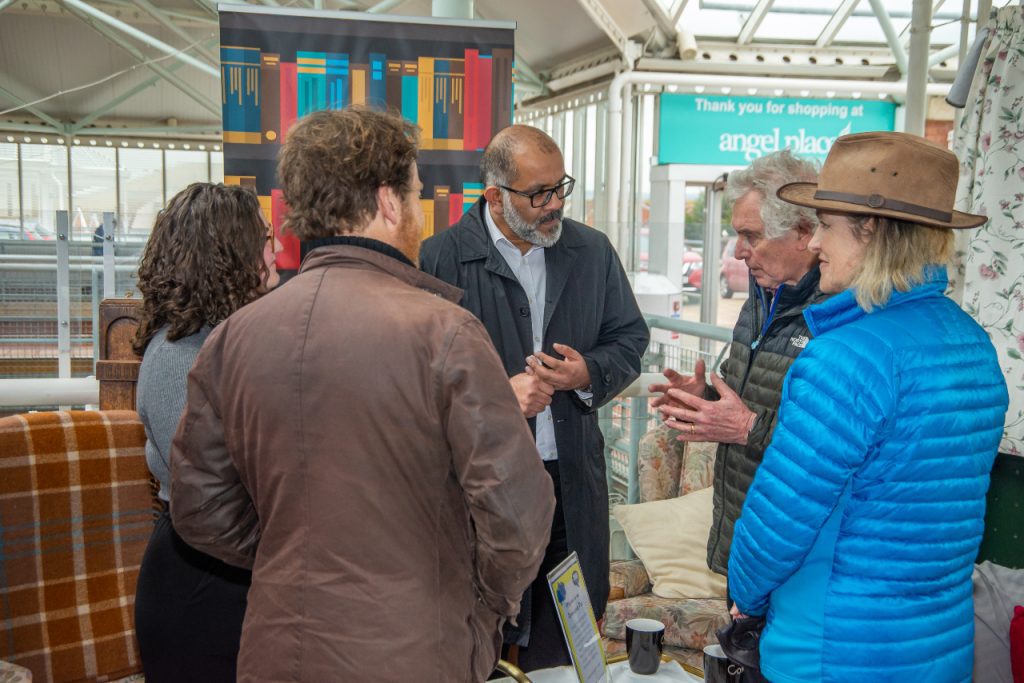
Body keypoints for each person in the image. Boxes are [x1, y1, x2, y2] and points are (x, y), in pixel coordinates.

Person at [169, 108, 555, 683]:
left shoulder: (234, 336)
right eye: (418, 194)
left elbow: (198, 505)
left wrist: (294, 563)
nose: (421, 212)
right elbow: (518, 517)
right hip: (416, 650)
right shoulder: (445, 333)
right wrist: (478, 603)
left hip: (275, 650)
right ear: (389, 202)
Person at [727, 131, 1009, 682]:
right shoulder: (972, 343)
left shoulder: (846, 358)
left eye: (827, 226)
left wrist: (745, 592)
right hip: (937, 647)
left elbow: (780, 520)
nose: (814, 245)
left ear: (872, 231)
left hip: (834, 650)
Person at [420, 124, 650, 670]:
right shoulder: (439, 261)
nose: (555, 205)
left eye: (560, 188)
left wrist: (587, 373)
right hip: (482, 491)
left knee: (564, 644)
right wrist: (499, 396)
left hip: (571, 485)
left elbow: (630, 340)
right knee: (478, 637)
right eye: (538, 194)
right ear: (494, 195)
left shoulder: (591, 252)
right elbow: (416, 382)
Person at [133, 182, 281, 682]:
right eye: (264, 238)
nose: (278, 247)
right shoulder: (180, 359)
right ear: (227, 253)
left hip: (228, 571)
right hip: (200, 583)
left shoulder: (224, 345)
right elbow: (216, 497)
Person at [652, 149, 824, 577]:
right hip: (746, 538)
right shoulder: (761, 295)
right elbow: (750, 398)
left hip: (796, 553)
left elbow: (834, 447)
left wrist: (746, 427)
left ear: (803, 232)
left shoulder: (841, 314)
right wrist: (705, 399)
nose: (739, 252)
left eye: (751, 236)